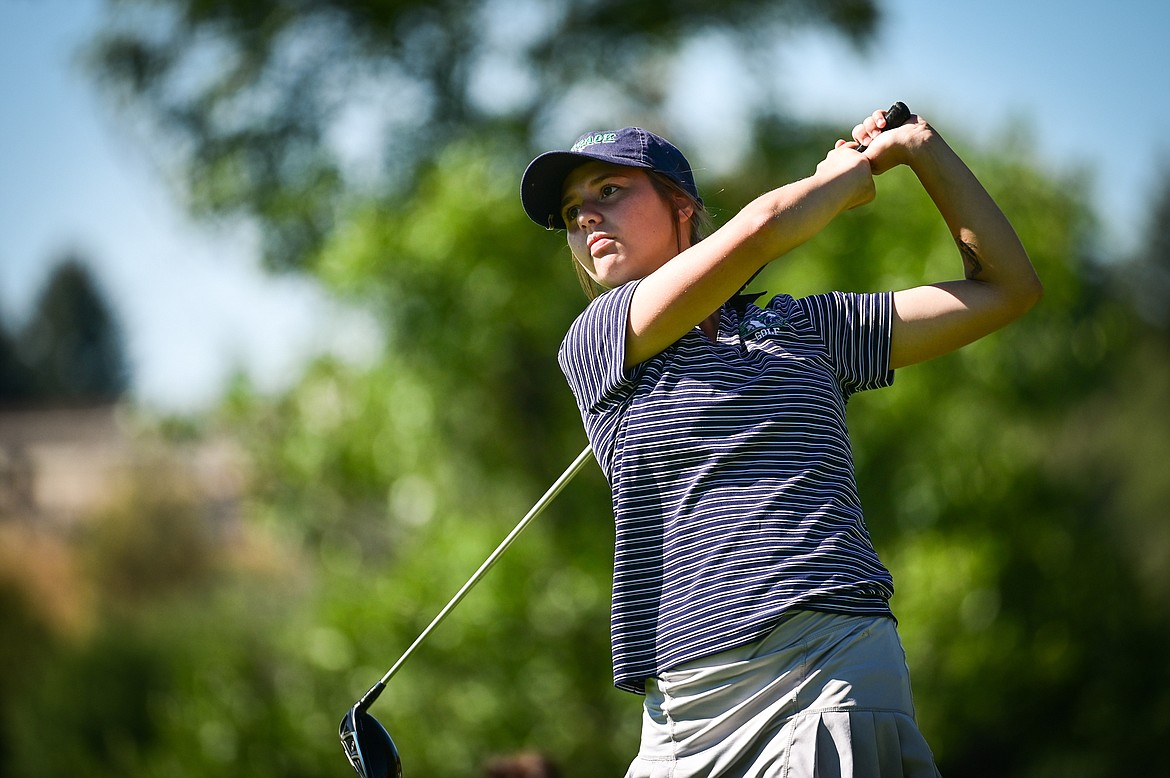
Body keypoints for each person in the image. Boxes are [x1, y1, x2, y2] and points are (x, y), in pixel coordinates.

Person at [519, 108, 1041, 777]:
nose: (586, 216)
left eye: (609, 191)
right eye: (571, 211)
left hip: (826, 665)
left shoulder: (805, 330)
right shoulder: (598, 339)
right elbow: (763, 229)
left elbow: (1006, 288)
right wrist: (842, 180)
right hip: (684, 713)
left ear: (681, 207)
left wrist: (920, 150)